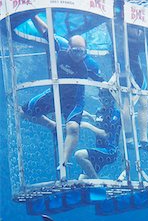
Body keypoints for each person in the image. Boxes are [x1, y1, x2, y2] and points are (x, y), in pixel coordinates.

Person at [21, 14, 103, 169]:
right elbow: (45, 30)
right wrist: (32, 15)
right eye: (75, 51)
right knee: (22, 112)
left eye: (82, 52)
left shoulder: (90, 63)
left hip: (74, 102)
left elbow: (103, 83)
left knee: (73, 128)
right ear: (69, 48)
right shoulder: (61, 47)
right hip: (54, 96)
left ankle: (63, 162)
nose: (79, 55)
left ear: (86, 51)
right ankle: (52, 125)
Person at [74, 89, 121, 179]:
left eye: (107, 96)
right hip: (99, 151)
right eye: (102, 96)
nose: (104, 98)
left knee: (79, 155)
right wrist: (89, 116)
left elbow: (106, 134)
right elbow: (100, 121)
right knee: (82, 180)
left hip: (110, 151)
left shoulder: (116, 113)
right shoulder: (100, 111)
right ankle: (96, 184)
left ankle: (97, 182)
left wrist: (88, 125)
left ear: (113, 98)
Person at [125, 25, 148, 153]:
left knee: (144, 102)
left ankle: (143, 140)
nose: (138, 32)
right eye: (136, 29)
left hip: (136, 69)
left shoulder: (137, 39)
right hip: (124, 68)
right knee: (127, 102)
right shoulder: (119, 35)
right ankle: (129, 139)